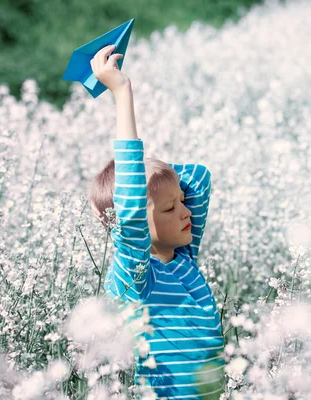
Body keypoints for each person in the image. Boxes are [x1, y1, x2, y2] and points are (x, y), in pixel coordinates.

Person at [87, 44, 225, 399]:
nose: (186, 212)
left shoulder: (184, 257)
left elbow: (200, 176)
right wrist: (122, 92)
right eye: (169, 209)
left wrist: (162, 180)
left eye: (182, 202)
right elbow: (132, 211)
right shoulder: (134, 278)